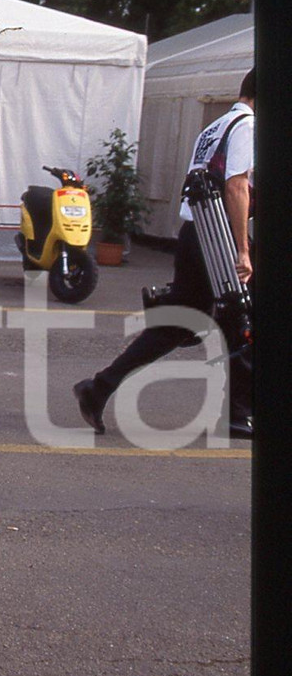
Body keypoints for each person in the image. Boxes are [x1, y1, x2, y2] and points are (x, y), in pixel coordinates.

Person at [74, 66, 255, 441]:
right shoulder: (249, 126)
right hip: (217, 234)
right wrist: (243, 249)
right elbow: (236, 186)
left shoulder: (215, 127)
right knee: (247, 317)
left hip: (195, 229)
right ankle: (237, 414)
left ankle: (100, 386)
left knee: (181, 321)